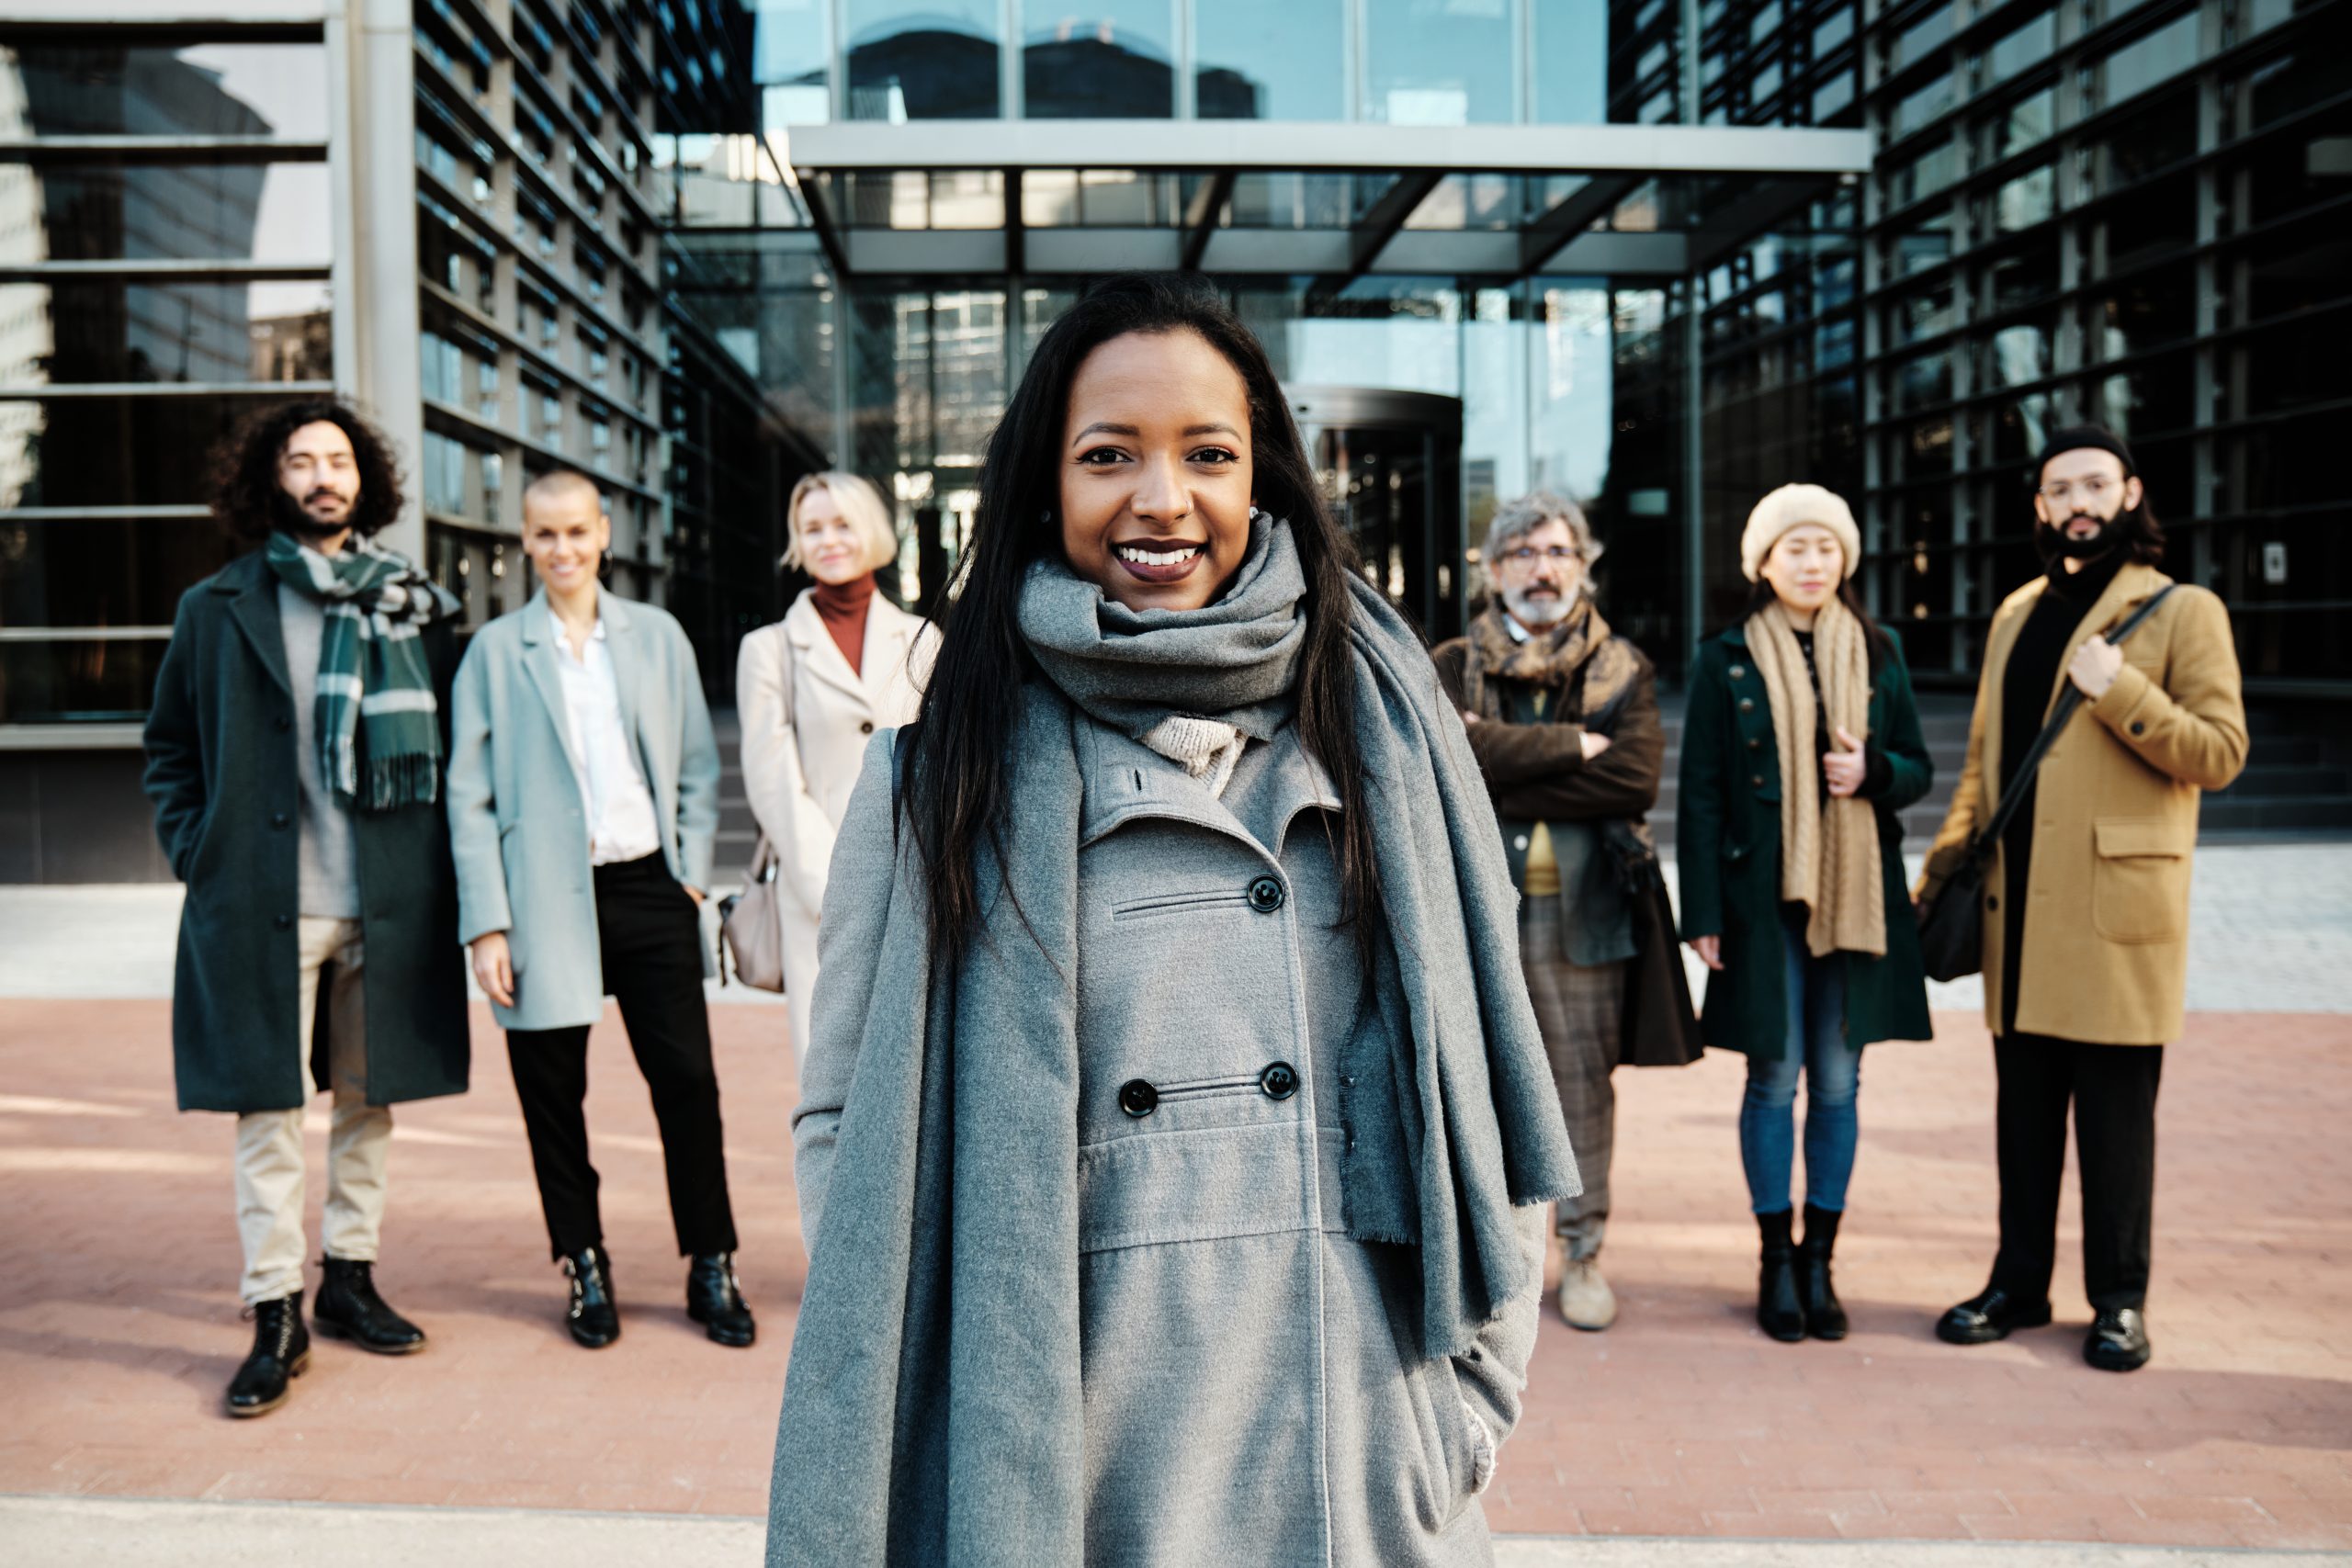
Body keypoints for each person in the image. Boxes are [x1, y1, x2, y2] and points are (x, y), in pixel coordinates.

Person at [764, 273, 1578, 1566]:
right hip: (1073, 1474)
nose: (1161, 499)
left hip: (1362, 1472)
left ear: (1263, 475)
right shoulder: (937, 776)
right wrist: (963, 1409)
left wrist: (1463, 1414)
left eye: (1208, 452)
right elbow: (846, 1132)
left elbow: (1483, 1086)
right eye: (1109, 455)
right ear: (1046, 483)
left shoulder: (1385, 737)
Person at [142, 400, 469, 1417]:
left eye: (338, 459)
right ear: (268, 480)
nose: (322, 476)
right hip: (259, 902)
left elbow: (458, 751)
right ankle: (273, 1305)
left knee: (367, 1105)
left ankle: (350, 1278)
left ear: (364, 478)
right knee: (268, 1110)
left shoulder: (418, 604)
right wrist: (200, 853)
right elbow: (169, 751)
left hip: (388, 897)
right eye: (300, 461)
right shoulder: (218, 604)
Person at [1923, 426, 2246, 1372]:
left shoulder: (2182, 610)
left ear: (2131, 494)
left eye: (2096, 484)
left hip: (2114, 919)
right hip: (2016, 911)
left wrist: (2120, 689)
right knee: (2021, 1122)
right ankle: (2016, 1282)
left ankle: (2119, 1301)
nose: (2078, 500)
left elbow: (2219, 754)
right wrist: (1934, 880)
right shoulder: (2017, 612)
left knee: (2114, 1127)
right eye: (2060, 486)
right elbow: (1984, 769)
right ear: (2038, 505)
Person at [445, 469, 752, 1350]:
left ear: (605, 531)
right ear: (525, 542)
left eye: (577, 531)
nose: (563, 549)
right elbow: (464, 796)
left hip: (649, 887)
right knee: (553, 1097)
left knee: (688, 1085)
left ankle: (711, 1262)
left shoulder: (655, 637)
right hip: (541, 902)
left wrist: (690, 874)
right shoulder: (495, 653)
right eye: (545, 535)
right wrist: (487, 923)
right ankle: (582, 1261)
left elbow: (697, 764)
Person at [1677, 484, 1934, 1344]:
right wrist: (1702, 910)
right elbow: (1703, 793)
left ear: (1845, 559)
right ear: (1763, 561)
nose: (1812, 561)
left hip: (1857, 900)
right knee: (1772, 1078)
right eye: (1795, 547)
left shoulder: (1878, 647)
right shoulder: (1726, 657)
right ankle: (1773, 1258)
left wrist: (1876, 773)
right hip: (1763, 904)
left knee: (1838, 1081)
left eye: (1826, 547)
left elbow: (1918, 766)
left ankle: (1820, 1258)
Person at [1431, 491, 1669, 1333]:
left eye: (1560, 551)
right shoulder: (1452, 664)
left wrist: (1495, 757)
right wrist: (1572, 746)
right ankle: (1488, 1253)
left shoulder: (1621, 668)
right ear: (1494, 571)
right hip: (1475, 911)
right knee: (1470, 1079)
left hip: (1585, 912)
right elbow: (1442, 761)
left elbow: (1633, 779)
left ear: (1584, 564)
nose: (1544, 567)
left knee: (1578, 1086)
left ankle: (1585, 1251)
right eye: (1525, 552)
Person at [736, 471, 932, 1073]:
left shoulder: (923, 640)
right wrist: (833, 884)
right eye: (812, 527)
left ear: (869, 529)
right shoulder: (768, 648)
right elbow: (772, 779)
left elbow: (941, 764)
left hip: (913, 883)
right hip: (817, 893)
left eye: (842, 524)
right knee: (832, 1076)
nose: (828, 540)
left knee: (914, 1073)